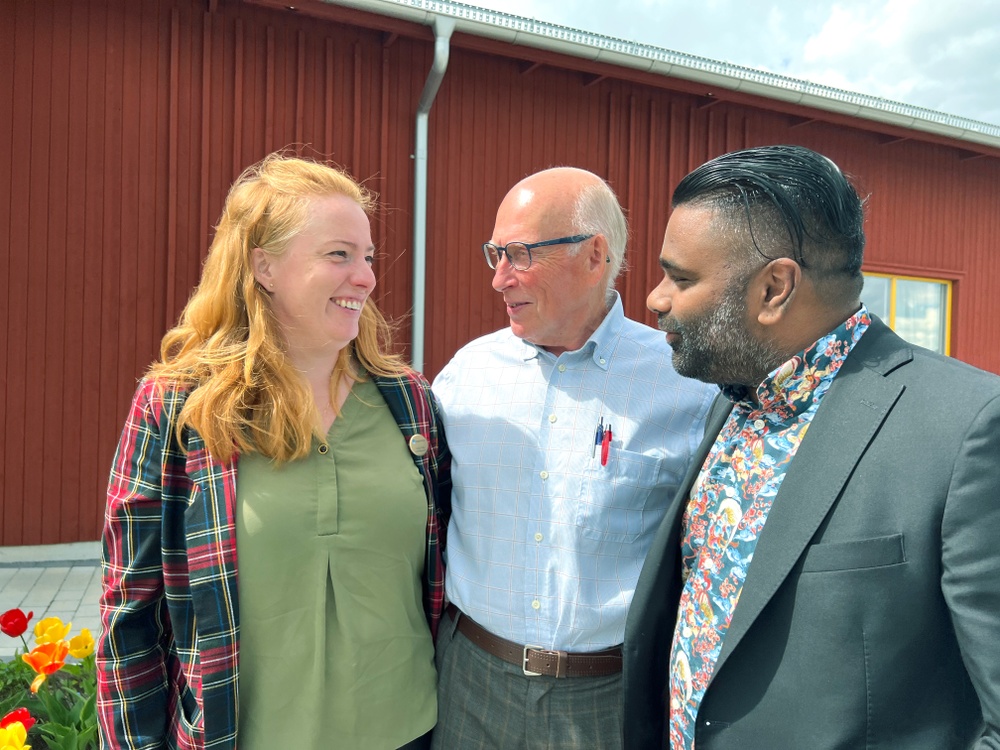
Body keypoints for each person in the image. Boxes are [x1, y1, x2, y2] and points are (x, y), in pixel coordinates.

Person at [624, 144, 1000, 749]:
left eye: (681, 277)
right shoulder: (734, 401)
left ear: (775, 288)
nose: (656, 298)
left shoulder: (967, 431)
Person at [97, 153, 450, 750]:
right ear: (263, 266)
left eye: (366, 256)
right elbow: (129, 611)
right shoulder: (179, 406)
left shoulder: (408, 402)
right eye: (338, 254)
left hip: (407, 733)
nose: (365, 276)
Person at [431, 166, 718, 748]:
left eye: (520, 254)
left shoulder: (686, 387)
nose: (500, 278)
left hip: (606, 700)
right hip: (469, 682)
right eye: (496, 254)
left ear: (594, 256)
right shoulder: (465, 376)